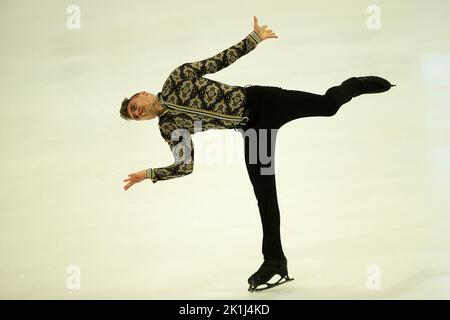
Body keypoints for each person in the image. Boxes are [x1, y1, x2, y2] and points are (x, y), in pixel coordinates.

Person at [120, 16, 396, 292]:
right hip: (253, 131)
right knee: (265, 195)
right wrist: (150, 174)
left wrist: (254, 38)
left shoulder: (177, 78)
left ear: (143, 94)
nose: (138, 112)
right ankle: (274, 261)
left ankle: (356, 84)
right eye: (135, 115)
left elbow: (218, 61)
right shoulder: (169, 127)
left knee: (328, 106)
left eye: (136, 105)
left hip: (264, 101)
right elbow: (185, 165)